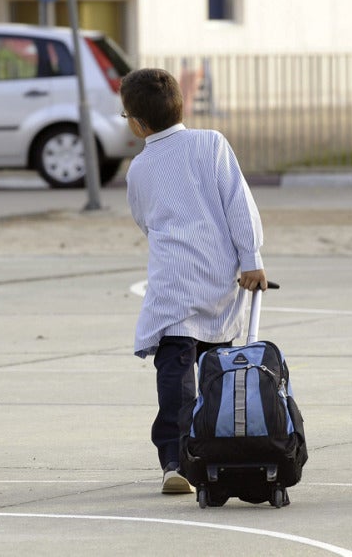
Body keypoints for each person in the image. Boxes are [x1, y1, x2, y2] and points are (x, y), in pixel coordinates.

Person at [120, 68, 267, 495]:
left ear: (138, 123)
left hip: (171, 282)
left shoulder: (140, 167)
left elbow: (144, 220)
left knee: (175, 370)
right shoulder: (212, 143)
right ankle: (214, 449)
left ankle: (175, 459)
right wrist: (251, 258)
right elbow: (238, 202)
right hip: (219, 280)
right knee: (216, 370)